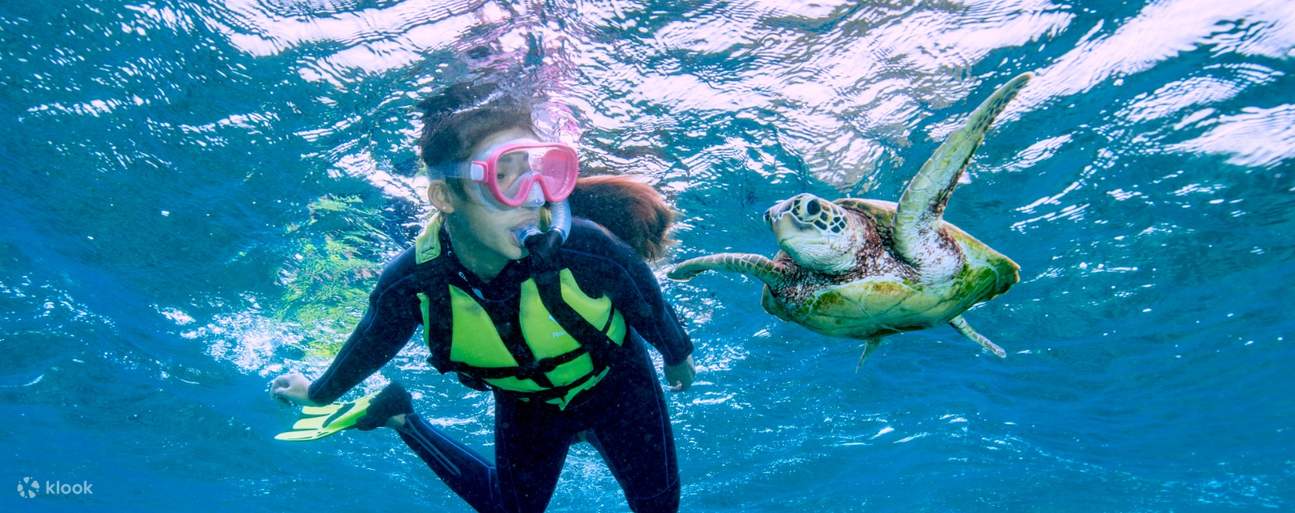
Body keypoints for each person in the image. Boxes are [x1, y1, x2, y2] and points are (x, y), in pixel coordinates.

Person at [269, 90, 697, 513]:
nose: (530, 197)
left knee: (658, 507)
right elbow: (369, 344)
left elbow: (645, 297)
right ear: (445, 197)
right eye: (503, 177)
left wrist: (677, 354)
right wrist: (319, 395)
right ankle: (400, 417)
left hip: (617, 383)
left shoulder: (583, 246)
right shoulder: (413, 283)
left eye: (534, 173)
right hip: (527, 403)